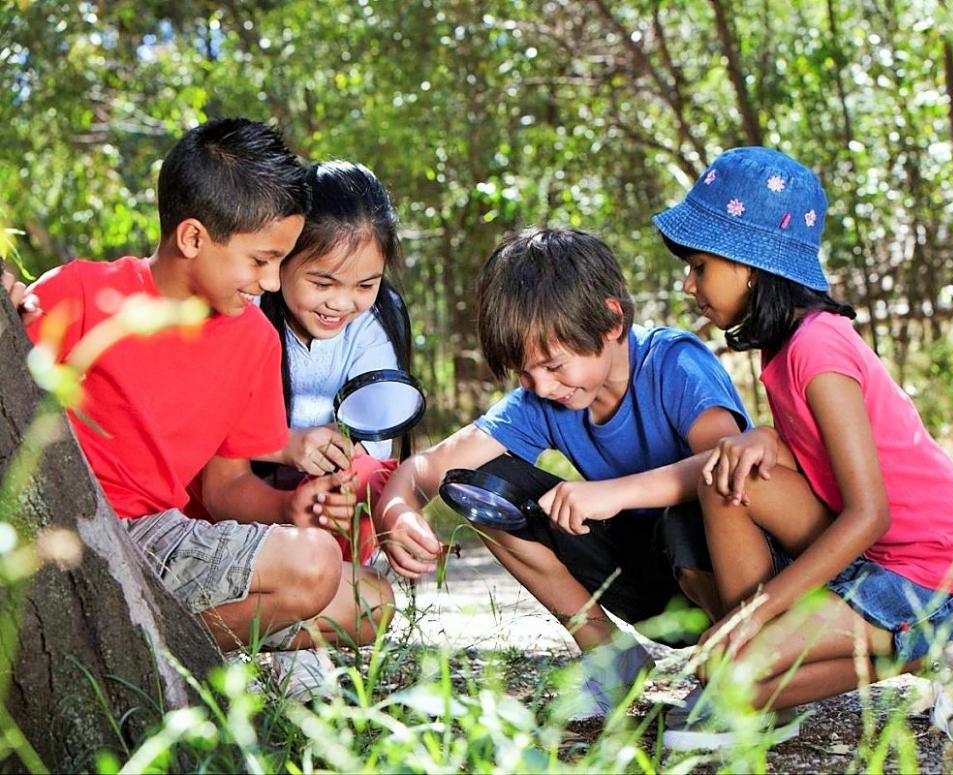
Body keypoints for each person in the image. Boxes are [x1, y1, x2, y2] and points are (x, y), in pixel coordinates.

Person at [651, 146, 953, 748]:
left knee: (728, 675)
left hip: (933, 572)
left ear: (750, 266)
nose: (689, 283)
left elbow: (872, 512)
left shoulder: (819, 347)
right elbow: (823, 461)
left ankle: (943, 646)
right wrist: (765, 440)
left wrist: (754, 614)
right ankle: (760, 657)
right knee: (725, 472)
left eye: (698, 264)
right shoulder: (783, 348)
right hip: (874, 555)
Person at [2, 119, 393, 656]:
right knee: (315, 566)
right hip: (72, 529)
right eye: (262, 260)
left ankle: (146, 650)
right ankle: (146, 653)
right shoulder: (82, 291)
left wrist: (287, 508)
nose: (273, 283)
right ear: (192, 238)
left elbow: (223, 488)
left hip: (159, 536)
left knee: (372, 602)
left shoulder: (254, 340)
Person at [374, 226, 751, 719]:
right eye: (525, 374)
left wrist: (611, 494)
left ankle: (740, 670)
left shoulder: (675, 363)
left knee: (688, 514)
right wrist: (397, 509)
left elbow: (729, 464)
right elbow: (430, 468)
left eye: (553, 365)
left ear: (611, 321)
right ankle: (611, 658)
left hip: (727, 579)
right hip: (652, 585)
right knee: (477, 487)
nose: (542, 386)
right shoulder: (546, 398)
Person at [193, 161, 411, 567]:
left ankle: (339, 582)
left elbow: (371, 440)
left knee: (361, 477)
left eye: (365, 285)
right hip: (239, 489)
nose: (343, 303)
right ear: (280, 260)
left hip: (322, 488)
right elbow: (209, 439)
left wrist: (334, 452)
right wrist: (284, 444)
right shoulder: (246, 311)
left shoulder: (375, 320)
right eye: (322, 283)